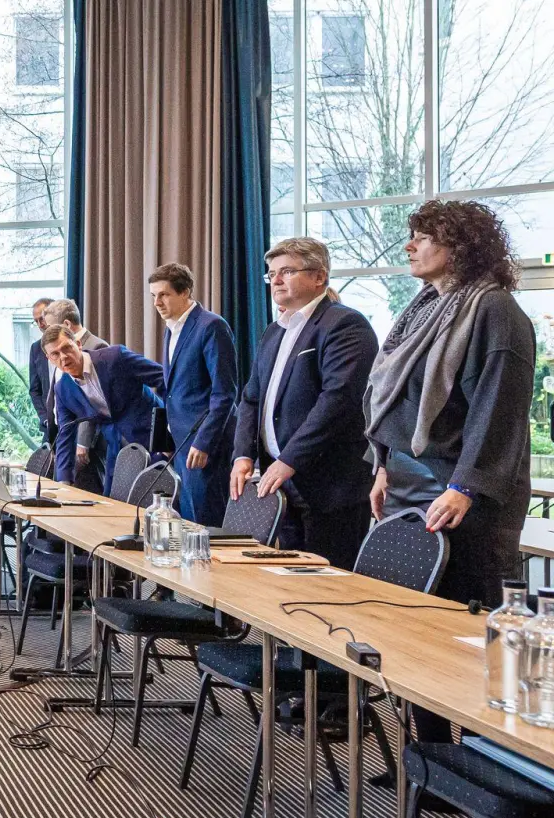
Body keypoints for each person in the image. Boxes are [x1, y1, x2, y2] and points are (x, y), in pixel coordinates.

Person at [366, 200, 534, 742]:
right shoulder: (424, 307)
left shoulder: (496, 310)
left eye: (422, 237)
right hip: (411, 482)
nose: (409, 246)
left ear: (459, 246)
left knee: (464, 627)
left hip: (466, 493)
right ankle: (432, 754)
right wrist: (383, 467)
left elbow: (499, 409)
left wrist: (465, 485)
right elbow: (399, 401)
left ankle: (487, 757)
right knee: (414, 626)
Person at [231, 237, 378, 569]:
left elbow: (338, 402)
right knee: (290, 582)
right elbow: (250, 399)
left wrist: (289, 459)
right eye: (272, 274)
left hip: (328, 486)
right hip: (280, 481)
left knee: (327, 590)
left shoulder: (344, 324)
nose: (276, 281)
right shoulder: (274, 331)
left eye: (287, 271)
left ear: (319, 277)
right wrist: (243, 454)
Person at [150, 263, 237, 526]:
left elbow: (225, 392)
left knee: (206, 523)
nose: (157, 302)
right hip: (182, 441)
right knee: (189, 520)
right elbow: (175, 391)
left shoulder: (211, 326)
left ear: (185, 291)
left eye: (164, 294)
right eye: (154, 296)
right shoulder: (171, 328)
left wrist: (203, 442)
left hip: (205, 442)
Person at [43, 324, 164, 495]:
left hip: (153, 438)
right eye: (55, 354)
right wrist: (64, 482)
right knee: (113, 502)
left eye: (67, 348)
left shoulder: (115, 357)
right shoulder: (63, 389)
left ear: (78, 344)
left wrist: (167, 433)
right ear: (49, 358)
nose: (63, 357)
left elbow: (164, 379)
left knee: (158, 501)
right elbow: (65, 435)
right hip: (115, 448)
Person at [42, 298, 109, 490]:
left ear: (66, 325)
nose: (47, 332)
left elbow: (94, 399)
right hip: (65, 433)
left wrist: (83, 442)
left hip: (87, 443)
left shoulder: (97, 346)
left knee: (87, 494)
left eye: (49, 326)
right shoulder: (54, 348)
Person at [26, 297, 56, 441]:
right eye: (36, 321)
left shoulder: (71, 346)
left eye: (42, 319)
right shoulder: (36, 349)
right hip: (49, 427)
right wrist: (44, 417)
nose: (40, 325)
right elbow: (34, 390)